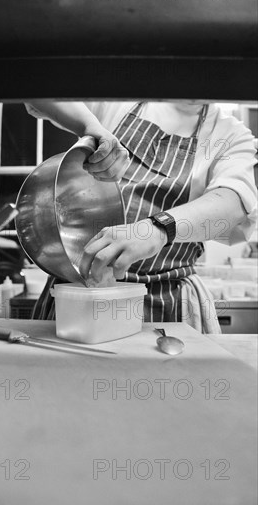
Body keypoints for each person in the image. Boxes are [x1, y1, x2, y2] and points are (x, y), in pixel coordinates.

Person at [25, 100, 257, 333]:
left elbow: (234, 202)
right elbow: (36, 92)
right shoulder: (118, 98)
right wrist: (89, 127)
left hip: (168, 303)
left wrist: (158, 229)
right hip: (78, 297)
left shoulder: (231, 134)